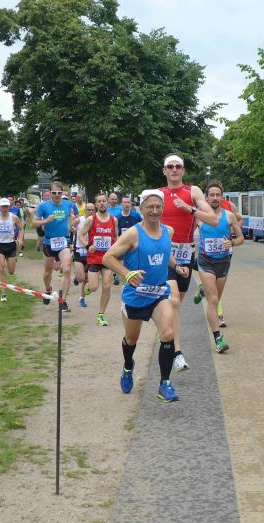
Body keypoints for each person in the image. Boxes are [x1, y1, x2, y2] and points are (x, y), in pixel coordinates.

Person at [103, 189, 189, 402]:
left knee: (167, 333)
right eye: (150, 207)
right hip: (136, 295)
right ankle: (128, 366)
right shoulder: (133, 234)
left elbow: (165, 252)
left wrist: (177, 266)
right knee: (131, 339)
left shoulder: (168, 231)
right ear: (141, 209)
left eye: (158, 207)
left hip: (159, 293)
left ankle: (164, 384)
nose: (154, 211)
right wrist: (127, 273)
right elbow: (108, 257)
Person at [159, 153, 219, 371]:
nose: (174, 169)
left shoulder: (192, 191)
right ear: (164, 171)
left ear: (183, 170)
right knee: (174, 301)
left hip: (185, 255)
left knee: (175, 306)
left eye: (178, 166)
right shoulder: (158, 194)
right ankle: (177, 353)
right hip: (163, 256)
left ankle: (167, 338)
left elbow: (213, 219)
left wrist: (190, 209)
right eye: (170, 166)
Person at [193, 181, 244, 352]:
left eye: (218, 195)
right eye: (212, 195)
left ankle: (203, 289)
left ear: (222, 197)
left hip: (223, 262)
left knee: (215, 300)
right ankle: (218, 339)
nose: (215, 198)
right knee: (213, 299)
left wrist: (232, 243)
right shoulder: (199, 216)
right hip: (205, 261)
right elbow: (187, 234)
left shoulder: (229, 216)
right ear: (206, 198)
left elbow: (241, 238)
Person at [33, 181, 75, 311]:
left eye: (59, 193)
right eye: (54, 193)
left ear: (63, 193)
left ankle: (63, 300)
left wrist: (71, 225)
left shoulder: (68, 204)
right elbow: (34, 223)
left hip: (64, 241)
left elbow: (70, 216)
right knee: (48, 272)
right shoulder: (43, 206)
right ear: (50, 193)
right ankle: (48, 289)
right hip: (49, 242)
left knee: (67, 269)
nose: (57, 195)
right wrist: (46, 220)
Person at [79, 193, 118, 326]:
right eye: (99, 201)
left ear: (107, 203)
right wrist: (87, 246)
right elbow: (80, 234)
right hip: (94, 258)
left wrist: (116, 250)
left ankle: (101, 315)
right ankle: (89, 287)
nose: (102, 203)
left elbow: (116, 237)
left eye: (104, 201)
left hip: (107, 258)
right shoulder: (91, 219)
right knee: (94, 287)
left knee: (107, 286)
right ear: (96, 204)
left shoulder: (114, 220)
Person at [0, 198, 24, 302]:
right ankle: (3, 293)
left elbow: (21, 228)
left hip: (11, 245)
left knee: (11, 271)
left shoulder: (14, 217)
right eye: (3, 206)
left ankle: (12, 260)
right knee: (1, 267)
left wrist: (20, 239)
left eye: (6, 206)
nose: (4, 208)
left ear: (9, 207)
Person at [73, 203, 95, 308]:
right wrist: (72, 229)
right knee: (81, 278)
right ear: (85, 210)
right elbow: (70, 226)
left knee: (86, 278)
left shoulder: (96, 221)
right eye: (89, 209)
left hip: (90, 252)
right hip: (79, 250)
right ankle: (77, 277)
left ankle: (82, 298)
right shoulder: (79, 220)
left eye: (92, 210)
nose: (91, 211)